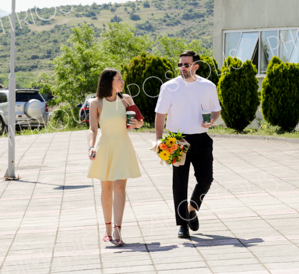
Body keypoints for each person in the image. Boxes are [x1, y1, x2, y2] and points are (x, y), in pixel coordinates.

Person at [154, 51, 221, 239]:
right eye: (180, 64)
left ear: (195, 66)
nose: (182, 68)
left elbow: (216, 111)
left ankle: (191, 208)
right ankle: (183, 224)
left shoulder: (208, 86)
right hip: (177, 140)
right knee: (180, 184)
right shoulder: (169, 87)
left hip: (202, 139)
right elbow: (160, 115)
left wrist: (211, 120)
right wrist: (159, 139)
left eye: (186, 64)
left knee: (206, 180)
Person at [87, 68, 144, 246]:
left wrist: (136, 124)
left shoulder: (126, 99)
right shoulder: (96, 103)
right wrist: (91, 146)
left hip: (122, 146)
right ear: (109, 81)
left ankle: (118, 231)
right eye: (119, 79)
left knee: (120, 187)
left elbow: (140, 122)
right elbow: (92, 129)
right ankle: (107, 230)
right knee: (106, 190)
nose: (122, 82)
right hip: (104, 147)